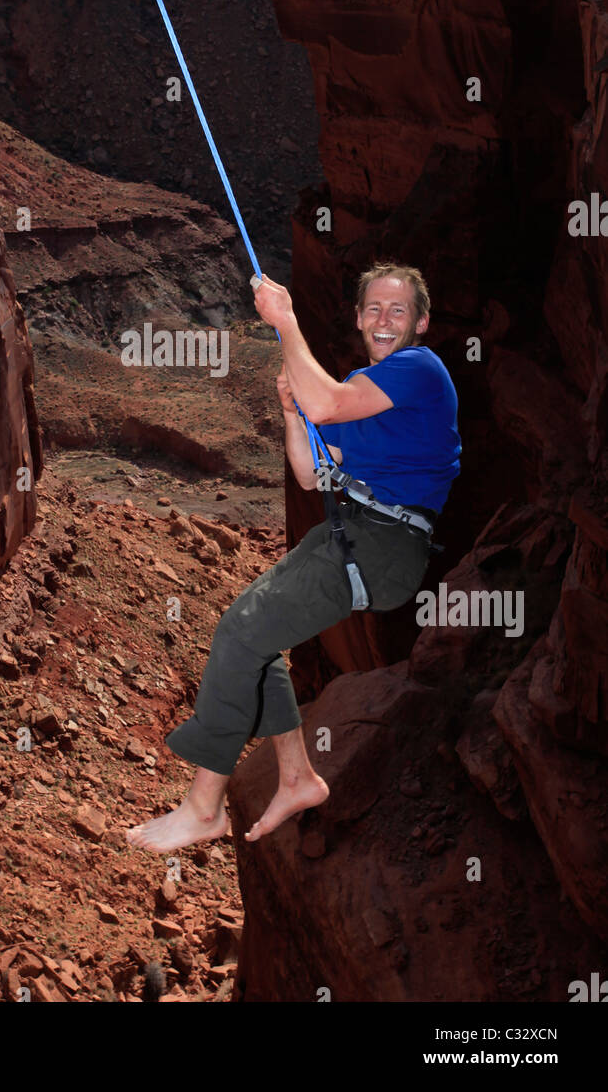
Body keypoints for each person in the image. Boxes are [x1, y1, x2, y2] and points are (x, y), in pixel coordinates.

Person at [126, 261, 461, 852]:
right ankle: (298, 777)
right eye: (374, 310)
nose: (384, 321)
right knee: (246, 633)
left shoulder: (420, 370)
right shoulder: (371, 395)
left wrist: (284, 324)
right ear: (359, 319)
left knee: (244, 633)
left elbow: (326, 405)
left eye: (398, 310)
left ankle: (204, 807)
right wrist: (288, 412)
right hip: (351, 532)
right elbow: (310, 474)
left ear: (421, 323)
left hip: (384, 546)